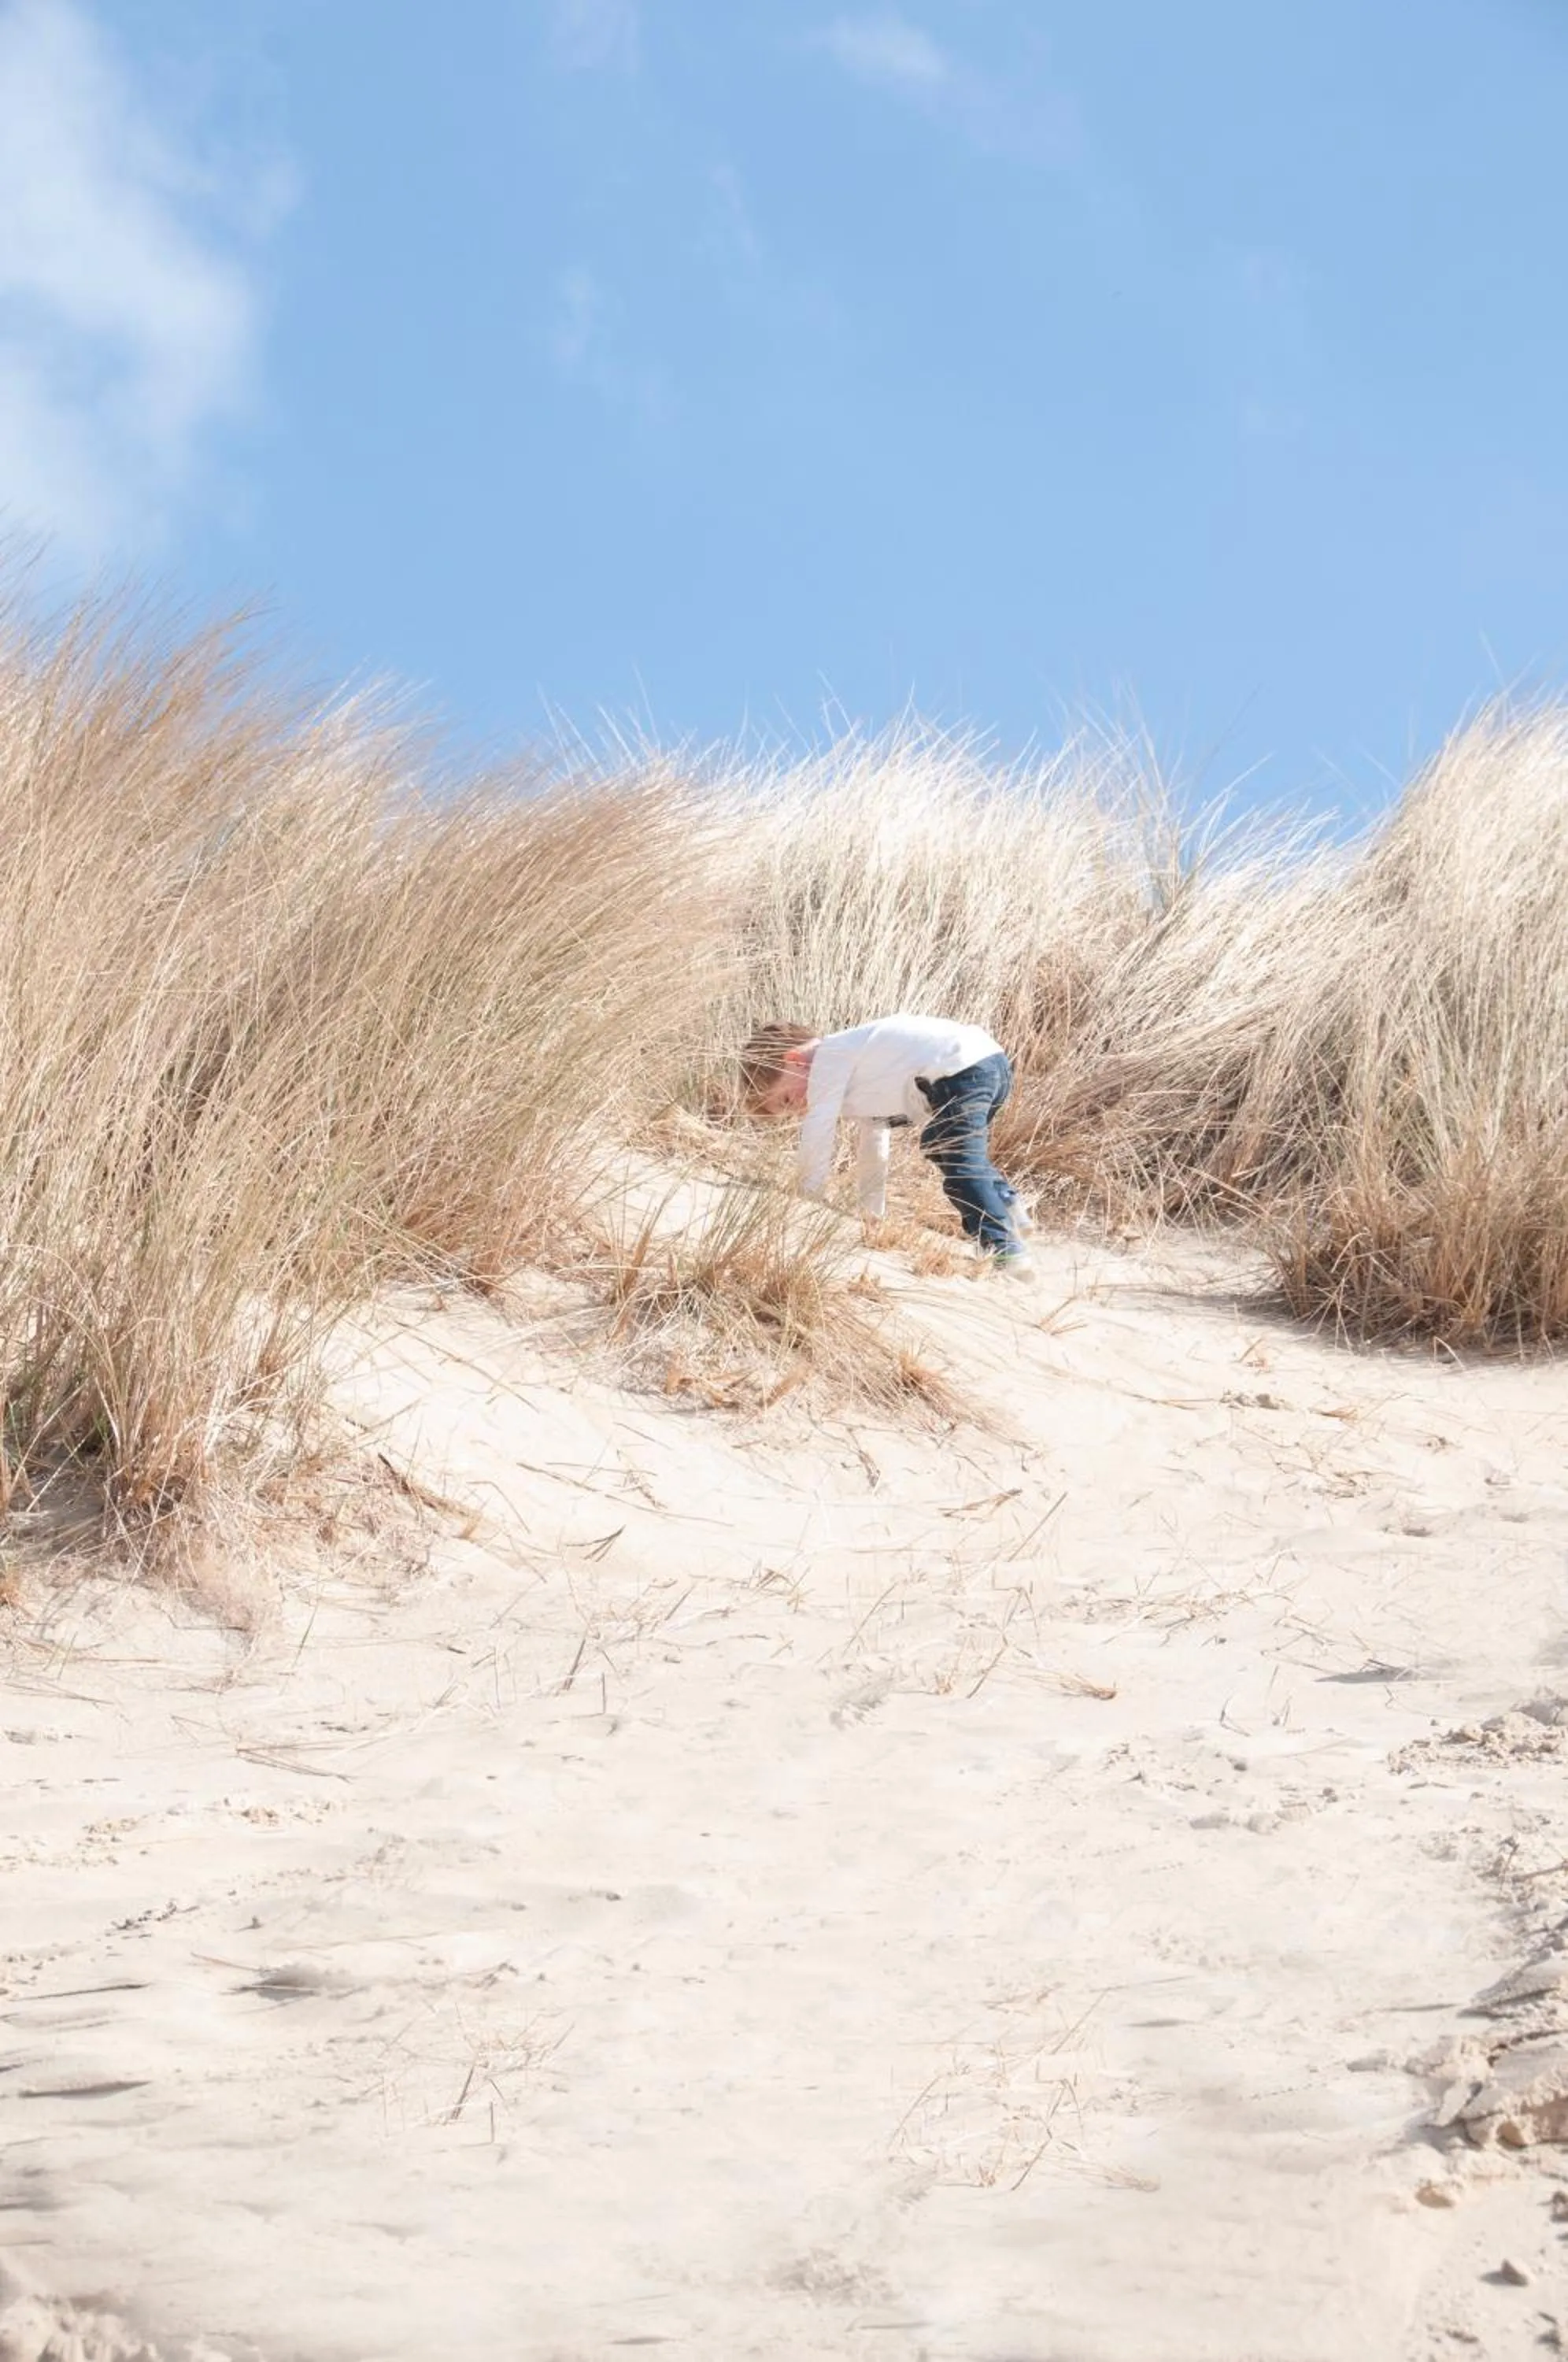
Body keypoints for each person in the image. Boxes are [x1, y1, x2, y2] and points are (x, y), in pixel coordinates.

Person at [739, 1012, 1034, 1272]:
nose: (799, 1109)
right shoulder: (856, 1079)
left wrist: (807, 1195)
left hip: (961, 1068)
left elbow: (819, 1126)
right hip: (987, 1064)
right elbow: (874, 1143)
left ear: (794, 1060)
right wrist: (872, 1215)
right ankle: (1006, 1202)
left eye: (787, 1099)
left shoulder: (830, 1055)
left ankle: (1004, 1248)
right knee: (941, 1145)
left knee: (960, 1161)